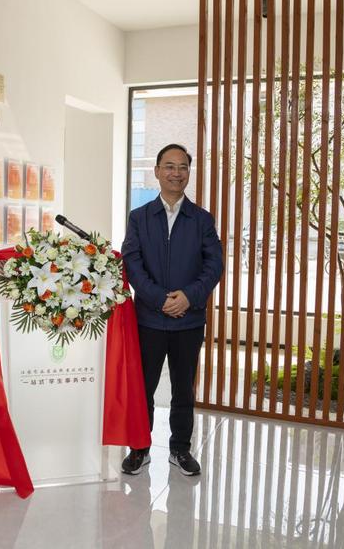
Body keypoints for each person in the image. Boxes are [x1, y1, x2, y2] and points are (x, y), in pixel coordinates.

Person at [120, 143, 223, 476]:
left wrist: (188, 297)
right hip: (148, 320)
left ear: (188, 173)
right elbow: (132, 262)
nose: (176, 173)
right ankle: (139, 448)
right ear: (157, 171)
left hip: (188, 321)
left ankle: (180, 448)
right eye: (169, 166)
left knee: (183, 389)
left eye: (182, 167)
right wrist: (159, 299)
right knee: (143, 389)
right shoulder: (139, 218)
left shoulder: (202, 219)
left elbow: (214, 265)